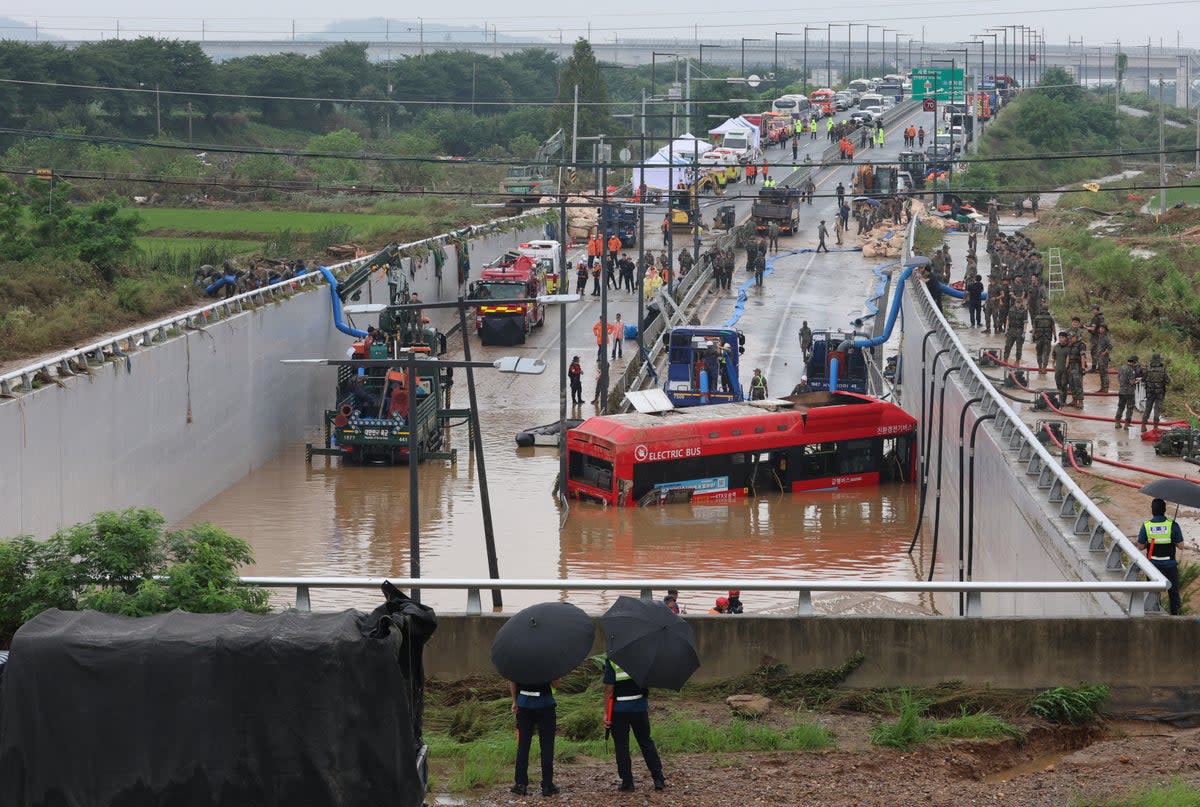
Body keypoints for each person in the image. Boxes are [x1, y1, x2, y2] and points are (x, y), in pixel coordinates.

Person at [603, 655, 666, 792]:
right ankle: (658, 778)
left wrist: (606, 713)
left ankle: (627, 782)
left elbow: (609, 690)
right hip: (639, 708)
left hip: (619, 710)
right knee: (645, 742)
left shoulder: (612, 658)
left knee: (621, 746)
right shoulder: (643, 657)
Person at [509, 677, 560, 796]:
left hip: (524, 705)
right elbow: (557, 685)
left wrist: (514, 701)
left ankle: (520, 785)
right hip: (545, 704)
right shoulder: (548, 661)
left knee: (523, 745)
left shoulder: (518, 660)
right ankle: (547, 785)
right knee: (547, 746)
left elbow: (512, 681)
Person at [1137, 497, 1184, 615]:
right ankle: (1175, 616)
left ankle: (1154, 612)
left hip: (1153, 566)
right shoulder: (1172, 525)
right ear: (1165, 510)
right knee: (1173, 593)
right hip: (1170, 565)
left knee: (1153, 592)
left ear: (1152, 510)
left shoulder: (1146, 526)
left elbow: (1141, 546)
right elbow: (1181, 546)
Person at [1141, 353, 1171, 431]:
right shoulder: (1163, 369)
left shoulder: (1147, 368)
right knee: (1157, 409)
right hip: (1159, 393)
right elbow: (1168, 381)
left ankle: (1143, 426)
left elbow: (1143, 379)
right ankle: (1155, 427)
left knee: (1147, 408)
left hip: (1150, 392)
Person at [1115, 355, 1141, 428]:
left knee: (1120, 407)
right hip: (1129, 392)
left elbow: (1118, 378)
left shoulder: (1121, 367)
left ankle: (1117, 423)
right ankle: (1127, 424)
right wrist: (1138, 380)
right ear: (1134, 362)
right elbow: (1132, 382)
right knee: (1130, 408)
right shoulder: (1131, 370)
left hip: (1122, 390)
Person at [1032, 306, 1056, 374]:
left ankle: (1040, 367)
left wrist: (1033, 336)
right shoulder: (1050, 318)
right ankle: (1044, 368)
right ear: (1047, 309)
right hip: (1047, 338)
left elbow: (1034, 328)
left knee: (1039, 353)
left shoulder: (1037, 318)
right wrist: (1055, 336)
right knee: (1046, 354)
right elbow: (1053, 328)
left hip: (1039, 338)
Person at [1094, 324, 1113, 392]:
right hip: (1100, 357)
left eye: (1102, 328)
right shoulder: (1101, 336)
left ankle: (1105, 388)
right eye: (1100, 328)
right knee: (1101, 372)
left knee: (1104, 373)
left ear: (1105, 329)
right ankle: (1102, 387)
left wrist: (1105, 352)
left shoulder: (1106, 337)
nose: (1101, 329)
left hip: (1104, 358)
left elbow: (1111, 345)